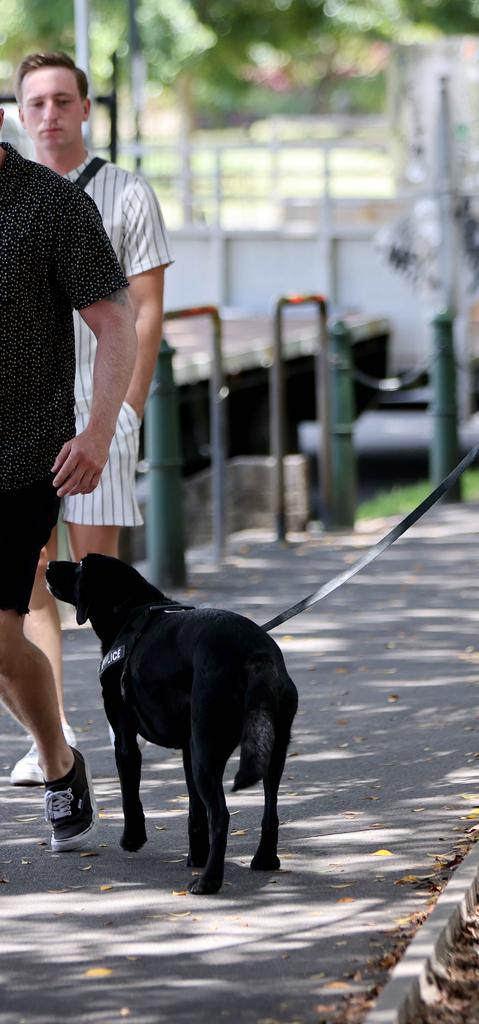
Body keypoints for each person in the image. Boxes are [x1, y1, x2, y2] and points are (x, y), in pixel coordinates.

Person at [9, 52, 173, 786]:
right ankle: (58, 725)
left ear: (82, 107)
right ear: (19, 109)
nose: (49, 114)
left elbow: (139, 313)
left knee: (94, 579)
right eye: (36, 102)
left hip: (92, 407)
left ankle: (122, 706)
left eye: (62, 100)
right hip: (34, 424)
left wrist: (121, 417)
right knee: (33, 577)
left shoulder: (114, 195)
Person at [0, 106, 137, 848]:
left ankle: (56, 763)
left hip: (19, 462)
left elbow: (117, 320)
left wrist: (98, 430)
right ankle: (59, 760)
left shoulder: (49, 205)